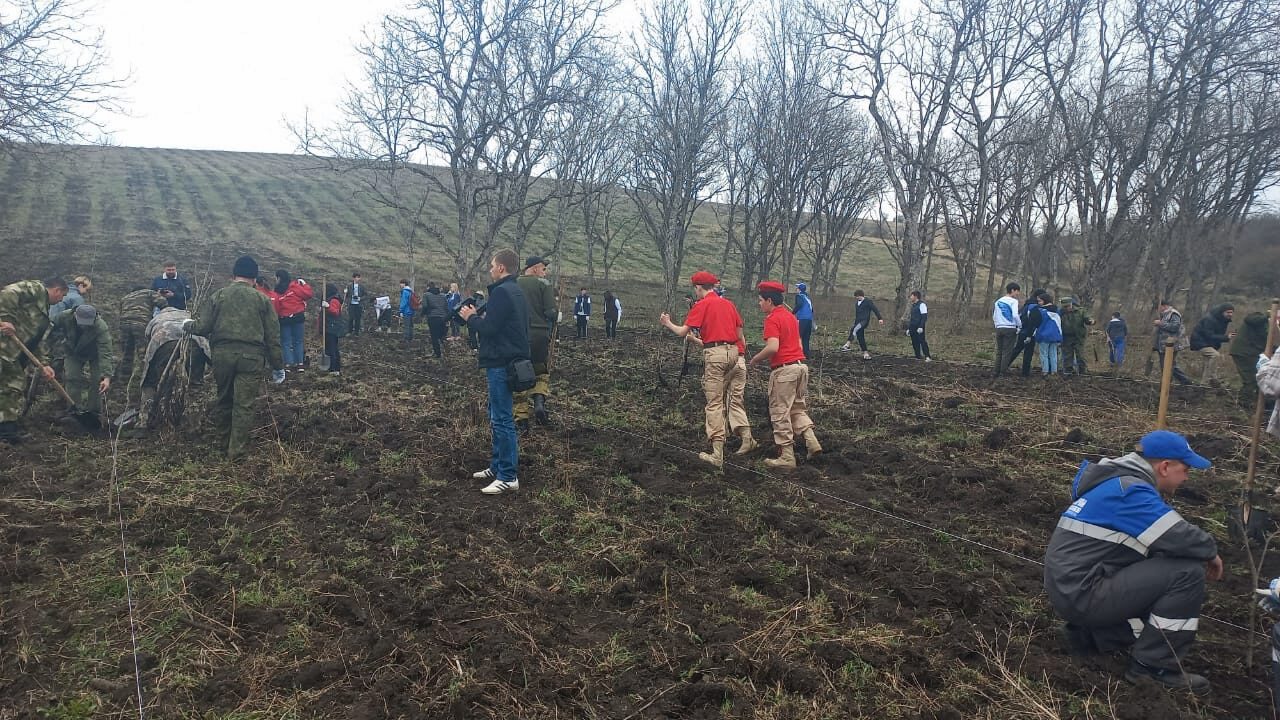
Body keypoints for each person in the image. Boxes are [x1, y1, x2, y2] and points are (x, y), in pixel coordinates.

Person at [1044, 430, 1220, 694]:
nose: (1186, 477)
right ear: (1164, 466)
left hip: (1074, 587)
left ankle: (1091, 637)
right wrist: (1211, 552)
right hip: (1083, 593)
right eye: (1185, 470)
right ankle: (1153, 668)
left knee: (1165, 561)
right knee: (1187, 573)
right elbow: (1179, 535)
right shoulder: (1131, 492)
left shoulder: (1118, 484)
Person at [185, 255, 284, 460]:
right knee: (244, 404)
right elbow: (273, 336)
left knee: (224, 400)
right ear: (255, 278)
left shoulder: (219, 295)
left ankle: (222, 445)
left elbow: (202, 327)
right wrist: (277, 366)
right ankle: (236, 452)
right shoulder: (263, 299)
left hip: (222, 356)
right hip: (251, 357)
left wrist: (186, 324)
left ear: (233, 276)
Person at [660, 270, 750, 468]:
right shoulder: (729, 304)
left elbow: (682, 332)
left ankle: (717, 453)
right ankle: (741, 434)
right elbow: (739, 334)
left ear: (699, 288)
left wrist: (667, 323)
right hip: (734, 354)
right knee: (729, 396)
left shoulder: (702, 305)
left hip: (715, 355)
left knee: (714, 402)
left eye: (696, 289)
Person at [459, 249, 529, 495]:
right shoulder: (516, 291)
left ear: (501, 268)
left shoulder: (501, 292)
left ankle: (508, 475)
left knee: (502, 419)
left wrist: (471, 317)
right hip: (509, 360)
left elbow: (489, 329)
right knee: (497, 415)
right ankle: (497, 466)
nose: (489, 269)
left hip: (501, 362)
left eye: (492, 265)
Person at [749, 281, 820, 469]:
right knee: (797, 409)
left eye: (760, 300)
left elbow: (773, 347)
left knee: (780, 412)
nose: (759, 304)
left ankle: (787, 457)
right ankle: (812, 443)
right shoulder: (790, 317)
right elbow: (797, 342)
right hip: (800, 367)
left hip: (784, 371)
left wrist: (756, 359)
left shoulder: (772, 319)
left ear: (769, 301)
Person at [0, 278, 67, 443]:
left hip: (13, 354)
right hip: (4, 346)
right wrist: (5, 318)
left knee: (10, 387)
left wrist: (44, 364)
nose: (61, 300)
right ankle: (7, 431)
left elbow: (38, 341)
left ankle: (7, 429)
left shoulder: (45, 314)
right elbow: (8, 292)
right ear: (57, 290)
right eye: (62, 295)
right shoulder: (36, 289)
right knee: (12, 385)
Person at [134, 307, 211, 433]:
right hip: (195, 343)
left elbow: (147, 334)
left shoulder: (157, 318)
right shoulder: (189, 314)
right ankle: (194, 425)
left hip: (163, 343)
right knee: (195, 384)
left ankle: (144, 422)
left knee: (151, 381)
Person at [50, 304, 114, 429]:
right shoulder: (64, 316)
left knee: (98, 381)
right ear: (75, 315)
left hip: (94, 353)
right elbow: (49, 327)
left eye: (87, 323)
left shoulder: (100, 326)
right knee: (72, 378)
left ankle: (94, 412)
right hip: (72, 351)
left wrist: (106, 376)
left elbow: (105, 352)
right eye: (82, 322)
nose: (84, 326)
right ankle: (74, 409)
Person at [516, 256, 557, 431]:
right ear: (534, 269)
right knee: (540, 370)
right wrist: (557, 315)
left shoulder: (512, 284)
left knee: (518, 373)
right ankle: (539, 402)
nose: (545, 272)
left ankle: (521, 420)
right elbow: (550, 312)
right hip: (539, 334)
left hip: (517, 335)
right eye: (543, 269)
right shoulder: (544, 284)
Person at [116, 287, 168, 391]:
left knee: (126, 353)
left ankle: (123, 381)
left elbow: (121, 311)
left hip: (124, 324)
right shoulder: (149, 292)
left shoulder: (126, 297)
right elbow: (163, 303)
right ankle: (143, 380)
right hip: (140, 324)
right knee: (143, 354)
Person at [272, 270, 313, 373]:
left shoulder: (277, 291)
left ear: (279, 278)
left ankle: (288, 364)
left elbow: (276, 306)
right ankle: (300, 364)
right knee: (298, 341)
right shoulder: (295, 287)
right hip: (298, 317)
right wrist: (305, 285)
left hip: (284, 319)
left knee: (285, 342)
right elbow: (308, 294)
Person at [1230, 310, 1272, 409]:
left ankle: (1261, 402)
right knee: (1251, 378)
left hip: (1251, 352)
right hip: (1244, 352)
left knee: (1260, 376)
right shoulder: (1259, 317)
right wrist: (1268, 315)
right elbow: (1251, 320)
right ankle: (1243, 404)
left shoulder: (1270, 324)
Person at [1189, 303, 1235, 385]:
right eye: (1228, 312)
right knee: (1215, 355)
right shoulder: (1210, 319)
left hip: (1208, 343)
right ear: (1222, 312)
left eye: (1231, 312)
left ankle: (1206, 383)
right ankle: (1209, 380)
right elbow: (1209, 335)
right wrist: (1226, 337)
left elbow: (1215, 334)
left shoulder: (1223, 320)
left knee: (1208, 363)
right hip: (1200, 342)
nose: (1230, 314)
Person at [1151, 299, 1193, 385]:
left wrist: (1160, 324)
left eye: (1159, 307)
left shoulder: (1173, 314)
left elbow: (1175, 327)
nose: (1157, 310)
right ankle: (1168, 382)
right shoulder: (1164, 315)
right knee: (1167, 365)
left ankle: (1183, 381)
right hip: (1163, 345)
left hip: (1171, 344)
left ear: (1164, 306)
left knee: (1169, 365)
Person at [1008, 288, 1046, 376]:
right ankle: (1025, 372)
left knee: (1016, 350)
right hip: (1029, 332)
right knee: (1028, 353)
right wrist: (1030, 333)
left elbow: (1020, 316)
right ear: (1038, 297)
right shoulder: (1034, 307)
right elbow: (1033, 321)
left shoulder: (1026, 305)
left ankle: (1004, 365)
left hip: (1022, 331)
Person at [840, 290, 883, 359]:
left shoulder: (868, 301)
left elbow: (875, 309)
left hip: (864, 321)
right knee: (860, 337)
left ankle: (847, 345)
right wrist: (855, 323)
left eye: (857, 296)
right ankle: (866, 354)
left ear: (860, 295)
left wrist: (880, 318)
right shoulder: (857, 303)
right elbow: (857, 315)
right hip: (858, 322)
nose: (856, 298)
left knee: (854, 329)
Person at [992, 283, 1022, 376]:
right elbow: (1015, 315)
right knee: (1007, 352)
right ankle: (1003, 372)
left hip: (999, 328)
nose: (1018, 294)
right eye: (1017, 291)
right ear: (1013, 290)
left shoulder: (998, 301)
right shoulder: (1013, 301)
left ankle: (996, 371)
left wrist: (997, 325)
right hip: (1010, 328)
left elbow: (994, 316)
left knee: (999, 351)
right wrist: (1019, 325)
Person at [1059, 298, 1095, 375]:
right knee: (1067, 355)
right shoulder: (1061, 313)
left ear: (1072, 304)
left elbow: (1087, 318)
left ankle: (1082, 371)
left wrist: (1091, 321)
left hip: (1078, 337)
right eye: (1065, 307)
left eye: (1068, 306)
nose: (1067, 308)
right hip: (1066, 337)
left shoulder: (1080, 311)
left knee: (1080, 355)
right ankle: (1068, 371)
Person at [1034, 294, 1063, 378]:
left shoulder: (1040, 311)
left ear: (1045, 301)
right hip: (1054, 336)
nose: (1039, 303)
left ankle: (1045, 372)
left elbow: (1037, 324)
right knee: (1053, 354)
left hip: (1043, 335)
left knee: (1044, 354)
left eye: (1040, 301)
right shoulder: (1057, 310)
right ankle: (1054, 372)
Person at [319, 283, 345, 376]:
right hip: (328, 328)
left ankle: (335, 368)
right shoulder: (329, 299)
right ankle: (330, 367)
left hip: (332, 328)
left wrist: (328, 307)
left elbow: (335, 312)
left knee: (332, 348)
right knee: (329, 348)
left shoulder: (334, 300)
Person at [423, 282, 450, 358]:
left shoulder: (426, 295)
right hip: (443, 318)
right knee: (441, 336)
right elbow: (446, 307)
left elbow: (425, 306)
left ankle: (437, 353)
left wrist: (423, 314)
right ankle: (444, 351)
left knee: (434, 336)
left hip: (433, 317)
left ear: (428, 288)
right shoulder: (443, 296)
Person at [908, 290, 931, 361]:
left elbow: (924, 317)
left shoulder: (922, 305)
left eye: (911, 296)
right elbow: (912, 318)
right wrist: (909, 328)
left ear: (915, 296)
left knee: (922, 341)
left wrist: (921, 326)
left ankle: (927, 356)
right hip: (913, 326)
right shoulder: (913, 306)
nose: (910, 297)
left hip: (919, 327)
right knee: (914, 342)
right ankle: (918, 356)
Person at [793, 281, 813, 358]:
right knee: (806, 338)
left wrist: (793, 312)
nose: (796, 289)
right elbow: (812, 310)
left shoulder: (799, 296)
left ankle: (797, 354)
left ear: (799, 289)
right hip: (809, 320)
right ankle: (807, 354)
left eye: (797, 288)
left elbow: (799, 304)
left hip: (802, 319)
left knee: (798, 336)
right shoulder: (807, 298)